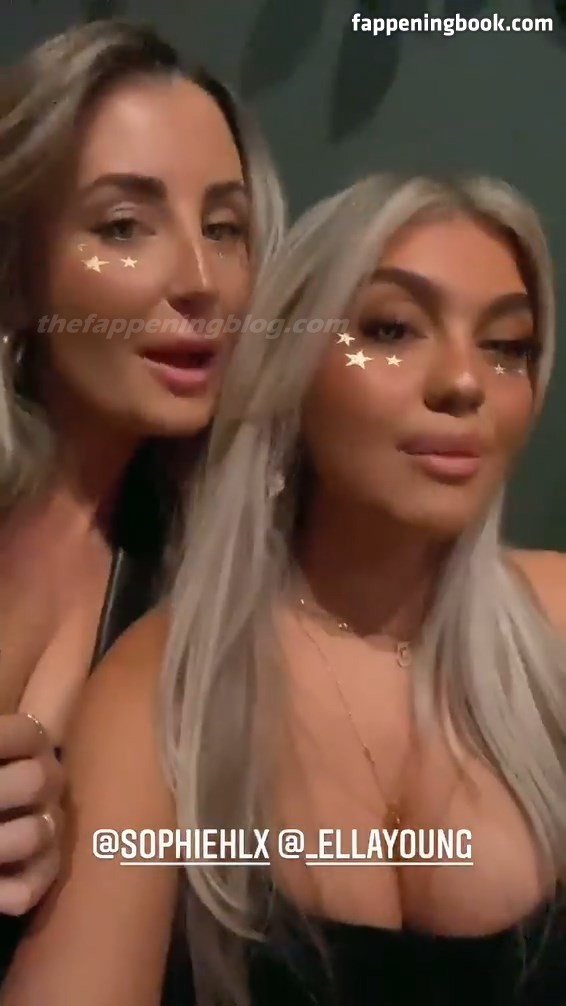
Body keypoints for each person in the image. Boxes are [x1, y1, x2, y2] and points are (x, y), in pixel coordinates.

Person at [4, 172, 566, 1006]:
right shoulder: (169, 690)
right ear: (291, 367)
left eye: (507, 345)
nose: (464, 382)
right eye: (391, 329)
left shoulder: (557, 624)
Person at [0, 17, 283, 964]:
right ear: (14, 274)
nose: (201, 282)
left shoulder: (198, 582)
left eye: (225, 229)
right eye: (124, 226)